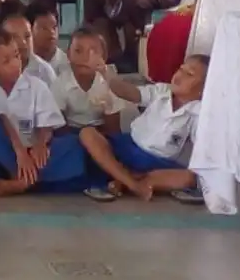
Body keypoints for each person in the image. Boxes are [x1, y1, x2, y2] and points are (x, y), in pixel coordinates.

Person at [0, 32, 90, 197]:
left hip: (31, 154)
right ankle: (23, 180)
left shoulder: (36, 85)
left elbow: (47, 125)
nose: (16, 63)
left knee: (74, 145)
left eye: (16, 55)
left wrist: (40, 144)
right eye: (6, 61)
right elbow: (2, 119)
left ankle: (19, 183)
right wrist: (20, 153)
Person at [80, 55, 207, 203]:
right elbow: (129, 93)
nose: (180, 75)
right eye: (180, 69)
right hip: (127, 147)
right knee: (87, 133)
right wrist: (107, 74)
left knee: (189, 177)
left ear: (204, 89)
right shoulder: (161, 91)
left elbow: (204, 151)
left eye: (189, 74)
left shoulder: (199, 113)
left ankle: (124, 179)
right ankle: (134, 184)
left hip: (157, 163)